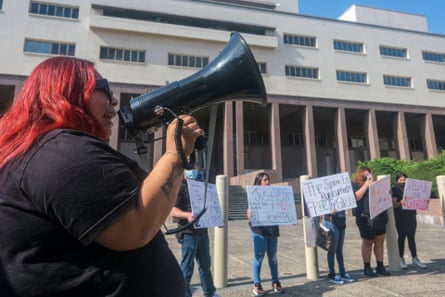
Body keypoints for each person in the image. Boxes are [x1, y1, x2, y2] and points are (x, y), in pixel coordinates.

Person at [0, 56, 204, 296]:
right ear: (68, 93)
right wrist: (174, 152)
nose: (114, 100)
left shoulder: (48, 149)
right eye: (104, 88)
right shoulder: (63, 153)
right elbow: (135, 228)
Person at [170, 168, 220, 297]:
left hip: (202, 232)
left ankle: (209, 292)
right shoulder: (181, 188)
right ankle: (183, 294)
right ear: (184, 175)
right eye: (190, 171)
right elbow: (172, 210)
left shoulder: (204, 189)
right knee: (187, 266)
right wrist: (186, 214)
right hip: (188, 233)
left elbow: (211, 207)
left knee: (205, 264)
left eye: (195, 170)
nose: (194, 173)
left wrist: (217, 219)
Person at [246, 172, 284, 296]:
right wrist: (250, 215)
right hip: (259, 231)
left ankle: (275, 282)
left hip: (272, 230)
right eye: (265, 180)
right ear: (259, 182)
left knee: (273, 257)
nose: (268, 182)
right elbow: (249, 214)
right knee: (259, 257)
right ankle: (257, 284)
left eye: (268, 180)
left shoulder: (274, 195)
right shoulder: (254, 196)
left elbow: (281, 209)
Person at [351, 166, 390, 277]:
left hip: (379, 216)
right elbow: (356, 197)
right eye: (364, 175)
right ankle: (367, 267)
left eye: (369, 174)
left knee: (380, 241)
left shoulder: (377, 184)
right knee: (368, 241)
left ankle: (380, 266)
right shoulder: (355, 184)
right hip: (364, 217)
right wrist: (367, 184)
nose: (368, 176)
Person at [392, 172, 427, 269]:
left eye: (404, 180)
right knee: (402, 237)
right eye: (401, 180)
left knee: (411, 237)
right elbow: (394, 205)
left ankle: (415, 258)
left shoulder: (412, 189)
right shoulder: (395, 189)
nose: (403, 182)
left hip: (411, 215)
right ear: (397, 181)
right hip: (400, 216)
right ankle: (401, 258)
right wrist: (401, 203)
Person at [323, 209, 355, 284]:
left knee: (339, 250)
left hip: (342, 221)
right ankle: (332, 274)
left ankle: (342, 272)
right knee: (332, 250)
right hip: (332, 222)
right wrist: (329, 212)